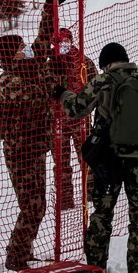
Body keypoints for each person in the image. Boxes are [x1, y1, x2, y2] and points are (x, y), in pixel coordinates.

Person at [52, 42, 138, 273]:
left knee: (102, 214)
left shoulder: (102, 81)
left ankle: (96, 270)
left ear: (106, 63)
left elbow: (76, 109)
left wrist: (62, 93)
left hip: (109, 160)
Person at [0, 0, 66, 271]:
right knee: (33, 207)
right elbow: (36, 95)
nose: (28, 49)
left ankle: (22, 250)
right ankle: (16, 256)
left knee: (39, 205)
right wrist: (51, 81)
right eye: (22, 48)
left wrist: (51, 6)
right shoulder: (8, 82)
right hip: (20, 154)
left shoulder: (29, 67)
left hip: (35, 150)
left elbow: (44, 37)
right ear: (13, 55)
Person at [48, 28, 98, 209]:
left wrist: (88, 103)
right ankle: (65, 199)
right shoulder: (50, 63)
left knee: (87, 157)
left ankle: (92, 192)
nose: (64, 45)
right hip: (58, 121)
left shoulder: (83, 61)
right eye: (60, 42)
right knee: (61, 163)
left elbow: (96, 84)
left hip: (80, 119)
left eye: (66, 41)